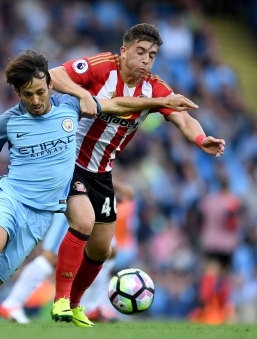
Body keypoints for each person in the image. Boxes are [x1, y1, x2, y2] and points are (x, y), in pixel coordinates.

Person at [0, 49, 199, 326]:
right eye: (28, 95)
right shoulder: (9, 121)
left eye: (41, 92)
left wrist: (163, 102)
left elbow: (117, 105)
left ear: (51, 85)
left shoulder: (70, 107)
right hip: (11, 197)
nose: (36, 100)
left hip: (40, 216)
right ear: (18, 94)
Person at [47, 23, 226, 328]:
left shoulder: (154, 89)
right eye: (140, 52)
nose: (146, 60)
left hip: (102, 172)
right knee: (83, 223)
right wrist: (82, 94)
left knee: (102, 248)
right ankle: (60, 300)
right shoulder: (102, 67)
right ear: (124, 51)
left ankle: (76, 305)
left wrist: (200, 139)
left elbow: (183, 117)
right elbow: (53, 75)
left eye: (152, 55)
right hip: (69, 160)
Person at [0, 179, 134, 324]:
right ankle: (11, 304)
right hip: (76, 195)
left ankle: (92, 307)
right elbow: (81, 164)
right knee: (51, 257)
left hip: (96, 197)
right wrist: (116, 186)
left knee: (107, 251)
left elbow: (100, 166)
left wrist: (107, 190)